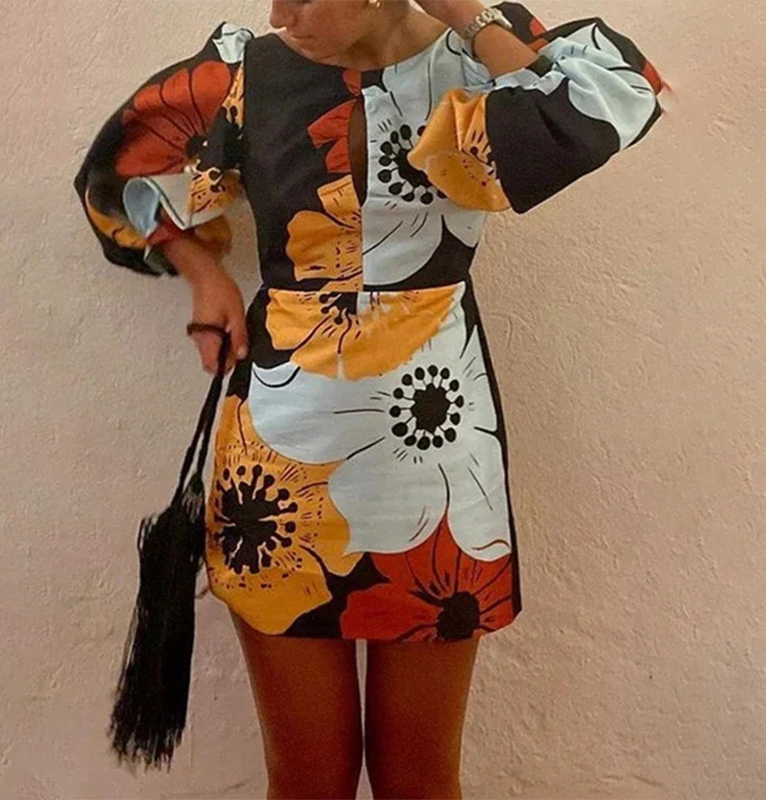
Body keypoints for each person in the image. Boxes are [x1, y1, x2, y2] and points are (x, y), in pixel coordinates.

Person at [74, 0, 663, 796]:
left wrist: (463, 13)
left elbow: (612, 96)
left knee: (418, 780)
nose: (279, 14)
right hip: (276, 463)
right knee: (307, 779)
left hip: (440, 464)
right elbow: (113, 173)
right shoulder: (244, 70)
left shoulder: (480, 55)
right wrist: (204, 273)